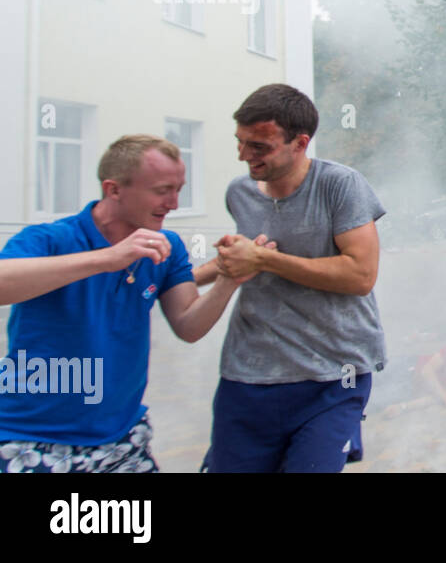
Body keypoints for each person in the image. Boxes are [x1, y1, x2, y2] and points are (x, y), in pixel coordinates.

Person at [0, 135, 256, 472]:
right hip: (29, 439)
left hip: (123, 441)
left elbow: (189, 325)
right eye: (163, 190)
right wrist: (108, 258)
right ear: (114, 189)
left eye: (179, 189)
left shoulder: (167, 247)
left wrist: (230, 279)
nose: (174, 203)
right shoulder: (50, 238)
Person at [194, 83, 386, 472]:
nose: (244, 155)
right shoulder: (240, 192)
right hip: (248, 377)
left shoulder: (339, 185)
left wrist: (263, 259)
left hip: (335, 376)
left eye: (259, 147)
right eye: (241, 142)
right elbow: (243, 256)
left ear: (300, 143)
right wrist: (170, 275)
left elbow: (361, 275)